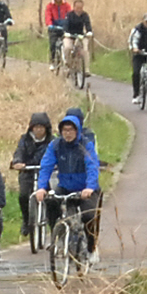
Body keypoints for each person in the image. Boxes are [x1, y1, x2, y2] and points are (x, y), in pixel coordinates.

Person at [33, 111, 102, 264]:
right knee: (51, 202)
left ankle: (91, 248)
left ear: (77, 130)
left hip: (85, 188)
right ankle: (57, 235)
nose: (68, 133)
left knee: (89, 216)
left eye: (71, 130)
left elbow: (92, 166)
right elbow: (46, 166)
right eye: (65, 130)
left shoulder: (85, 145)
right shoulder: (56, 145)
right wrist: (41, 187)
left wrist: (90, 187)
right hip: (65, 186)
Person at [9, 111, 54, 241]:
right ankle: (26, 220)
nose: (38, 130)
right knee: (23, 196)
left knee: (52, 199)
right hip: (27, 172)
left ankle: (52, 224)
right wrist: (17, 162)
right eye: (36, 127)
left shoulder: (52, 141)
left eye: (41, 127)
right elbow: (19, 152)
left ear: (46, 128)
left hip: (46, 173)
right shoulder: (25, 140)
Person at [43, 0, 72, 64]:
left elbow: (70, 15)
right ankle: (52, 61)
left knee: (69, 43)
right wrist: (50, 24)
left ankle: (69, 59)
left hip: (64, 27)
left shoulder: (66, 5)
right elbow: (48, 16)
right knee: (53, 44)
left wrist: (69, 24)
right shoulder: (50, 6)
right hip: (54, 28)